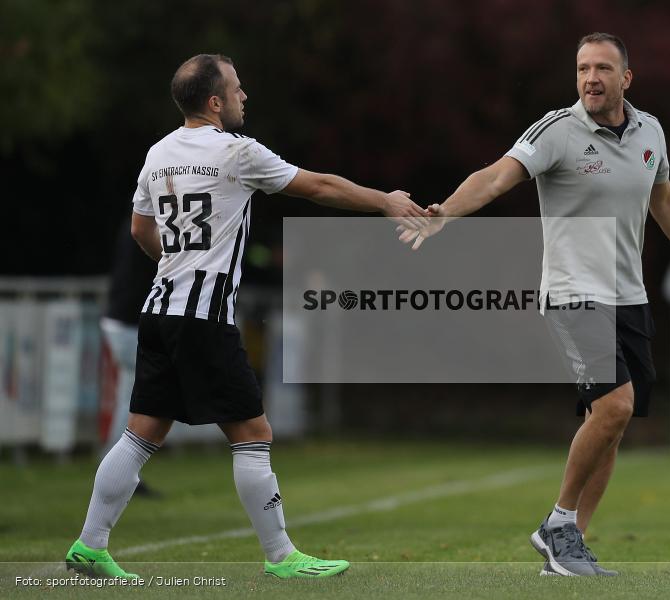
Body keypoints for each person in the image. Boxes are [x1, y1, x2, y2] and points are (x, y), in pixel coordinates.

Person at [65, 53, 427, 580]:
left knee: (140, 434)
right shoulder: (237, 152)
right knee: (253, 434)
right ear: (215, 102)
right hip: (204, 316)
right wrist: (385, 202)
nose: (244, 96)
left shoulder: (157, 153)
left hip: (159, 310)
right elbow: (318, 186)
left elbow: (141, 229)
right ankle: (282, 556)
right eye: (237, 88)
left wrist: (176, 265)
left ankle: (90, 546)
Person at [400, 33, 670, 576]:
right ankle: (557, 523)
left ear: (626, 78)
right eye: (582, 68)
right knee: (616, 406)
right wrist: (447, 214)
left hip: (629, 296)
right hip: (573, 293)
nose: (590, 79)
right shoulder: (557, 130)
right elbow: (496, 176)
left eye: (602, 68)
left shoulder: (651, 131)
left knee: (610, 424)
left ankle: (568, 545)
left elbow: (663, 199)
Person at [99, 217, 160, 498]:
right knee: (140, 401)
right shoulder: (148, 226)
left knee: (130, 398)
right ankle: (119, 470)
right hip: (128, 323)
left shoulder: (136, 222)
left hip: (121, 320)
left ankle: (115, 467)